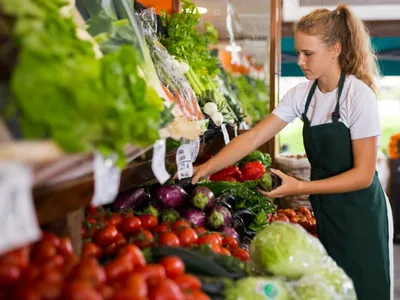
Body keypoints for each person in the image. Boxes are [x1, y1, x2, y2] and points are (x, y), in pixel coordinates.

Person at [192, 4, 393, 300]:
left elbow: (363, 176)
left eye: (307, 53)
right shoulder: (303, 94)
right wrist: (206, 169)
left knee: (364, 290)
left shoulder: (357, 95)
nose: (299, 60)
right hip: (327, 209)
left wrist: (300, 187)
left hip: (361, 211)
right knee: (331, 289)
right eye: (298, 52)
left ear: (335, 49)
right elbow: (255, 137)